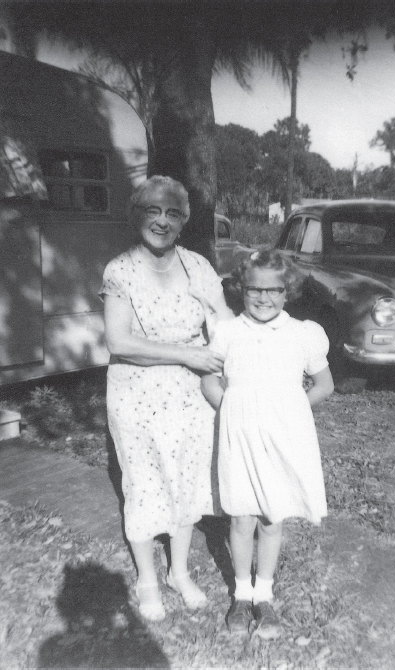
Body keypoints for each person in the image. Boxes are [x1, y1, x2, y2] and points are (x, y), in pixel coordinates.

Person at [99, 175, 232, 622]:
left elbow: (225, 325)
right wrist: (189, 354)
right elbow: (119, 342)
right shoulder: (120, 269)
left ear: (184, 220)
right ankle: (147, 579)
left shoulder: (198, 266)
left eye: (173, 213)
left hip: (193, 395)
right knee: (143, 481)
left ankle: (178, 571)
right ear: (137, 214)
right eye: (152, 211)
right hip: (136, 393)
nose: (162, 221)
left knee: (187, 480)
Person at [201, 249, 334, 639]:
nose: (264, 298)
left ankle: (265, 595)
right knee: (242, 516)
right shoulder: (228, 331)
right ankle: (242, 594)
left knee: (271, 518)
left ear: (287, 291)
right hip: (240, 433)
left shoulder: (302, 333)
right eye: (255, 290)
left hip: (282, 436)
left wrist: (290, 410)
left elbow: (324, 385)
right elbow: (210, 379)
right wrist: (231, 408)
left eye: (274, 291)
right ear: (242, 289)